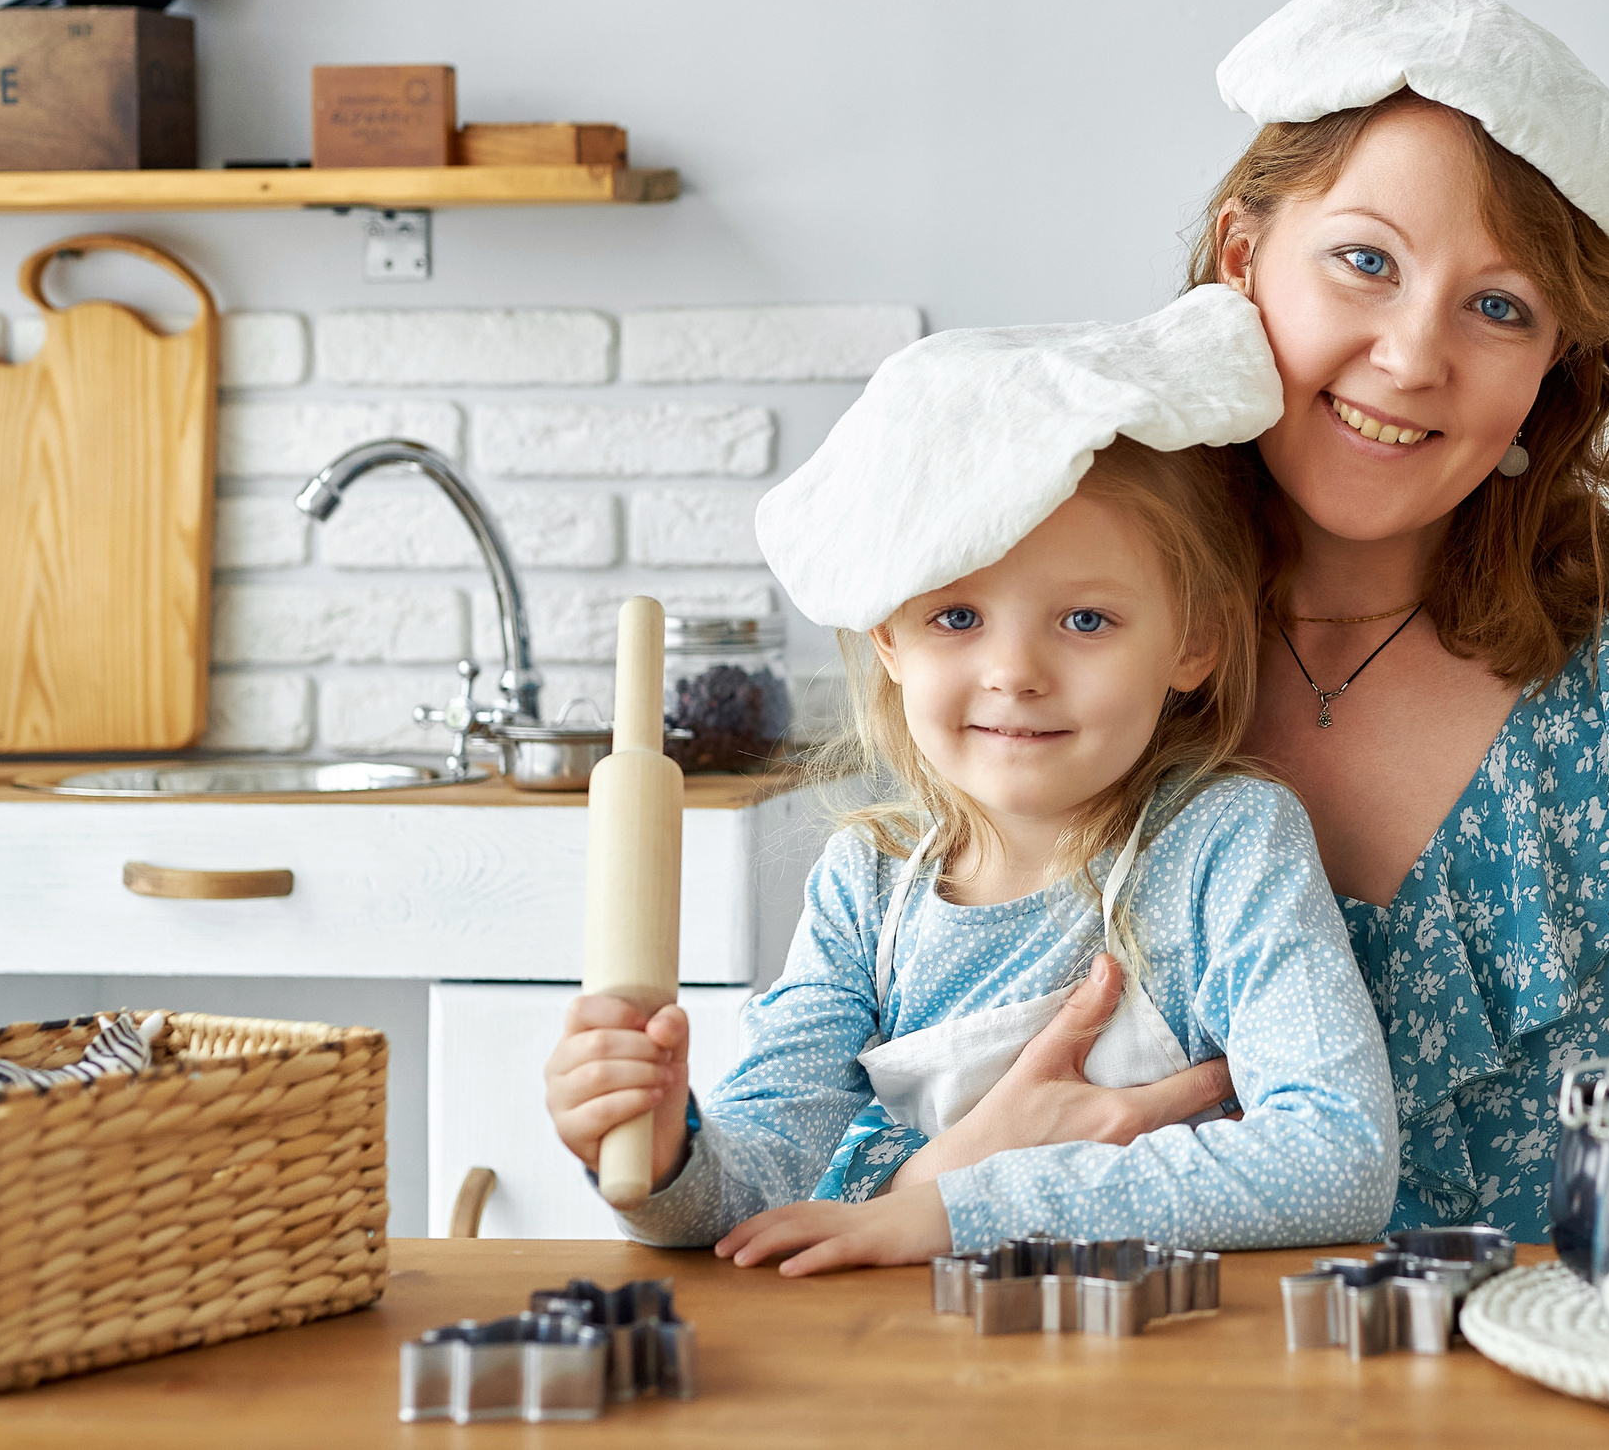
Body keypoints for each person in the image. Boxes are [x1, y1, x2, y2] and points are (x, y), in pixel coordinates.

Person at [845, 0, 1609, 1241]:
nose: (1413, 355)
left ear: (1551, 367)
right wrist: (948, 1176)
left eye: (1498, 307)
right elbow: (816, 1169)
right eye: (1364, 261)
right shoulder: (1038, 624)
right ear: (1243, 257)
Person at [542, 290, 1398, 1271]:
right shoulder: (867, 883)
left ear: (1193, 640)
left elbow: (1341, 1159)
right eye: (957, 617)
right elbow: (760, 1173)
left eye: (1085, 619)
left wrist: (955, 1208)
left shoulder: (1224, 845)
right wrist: (666, 1157)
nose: (1014, 672)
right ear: (888, 635)